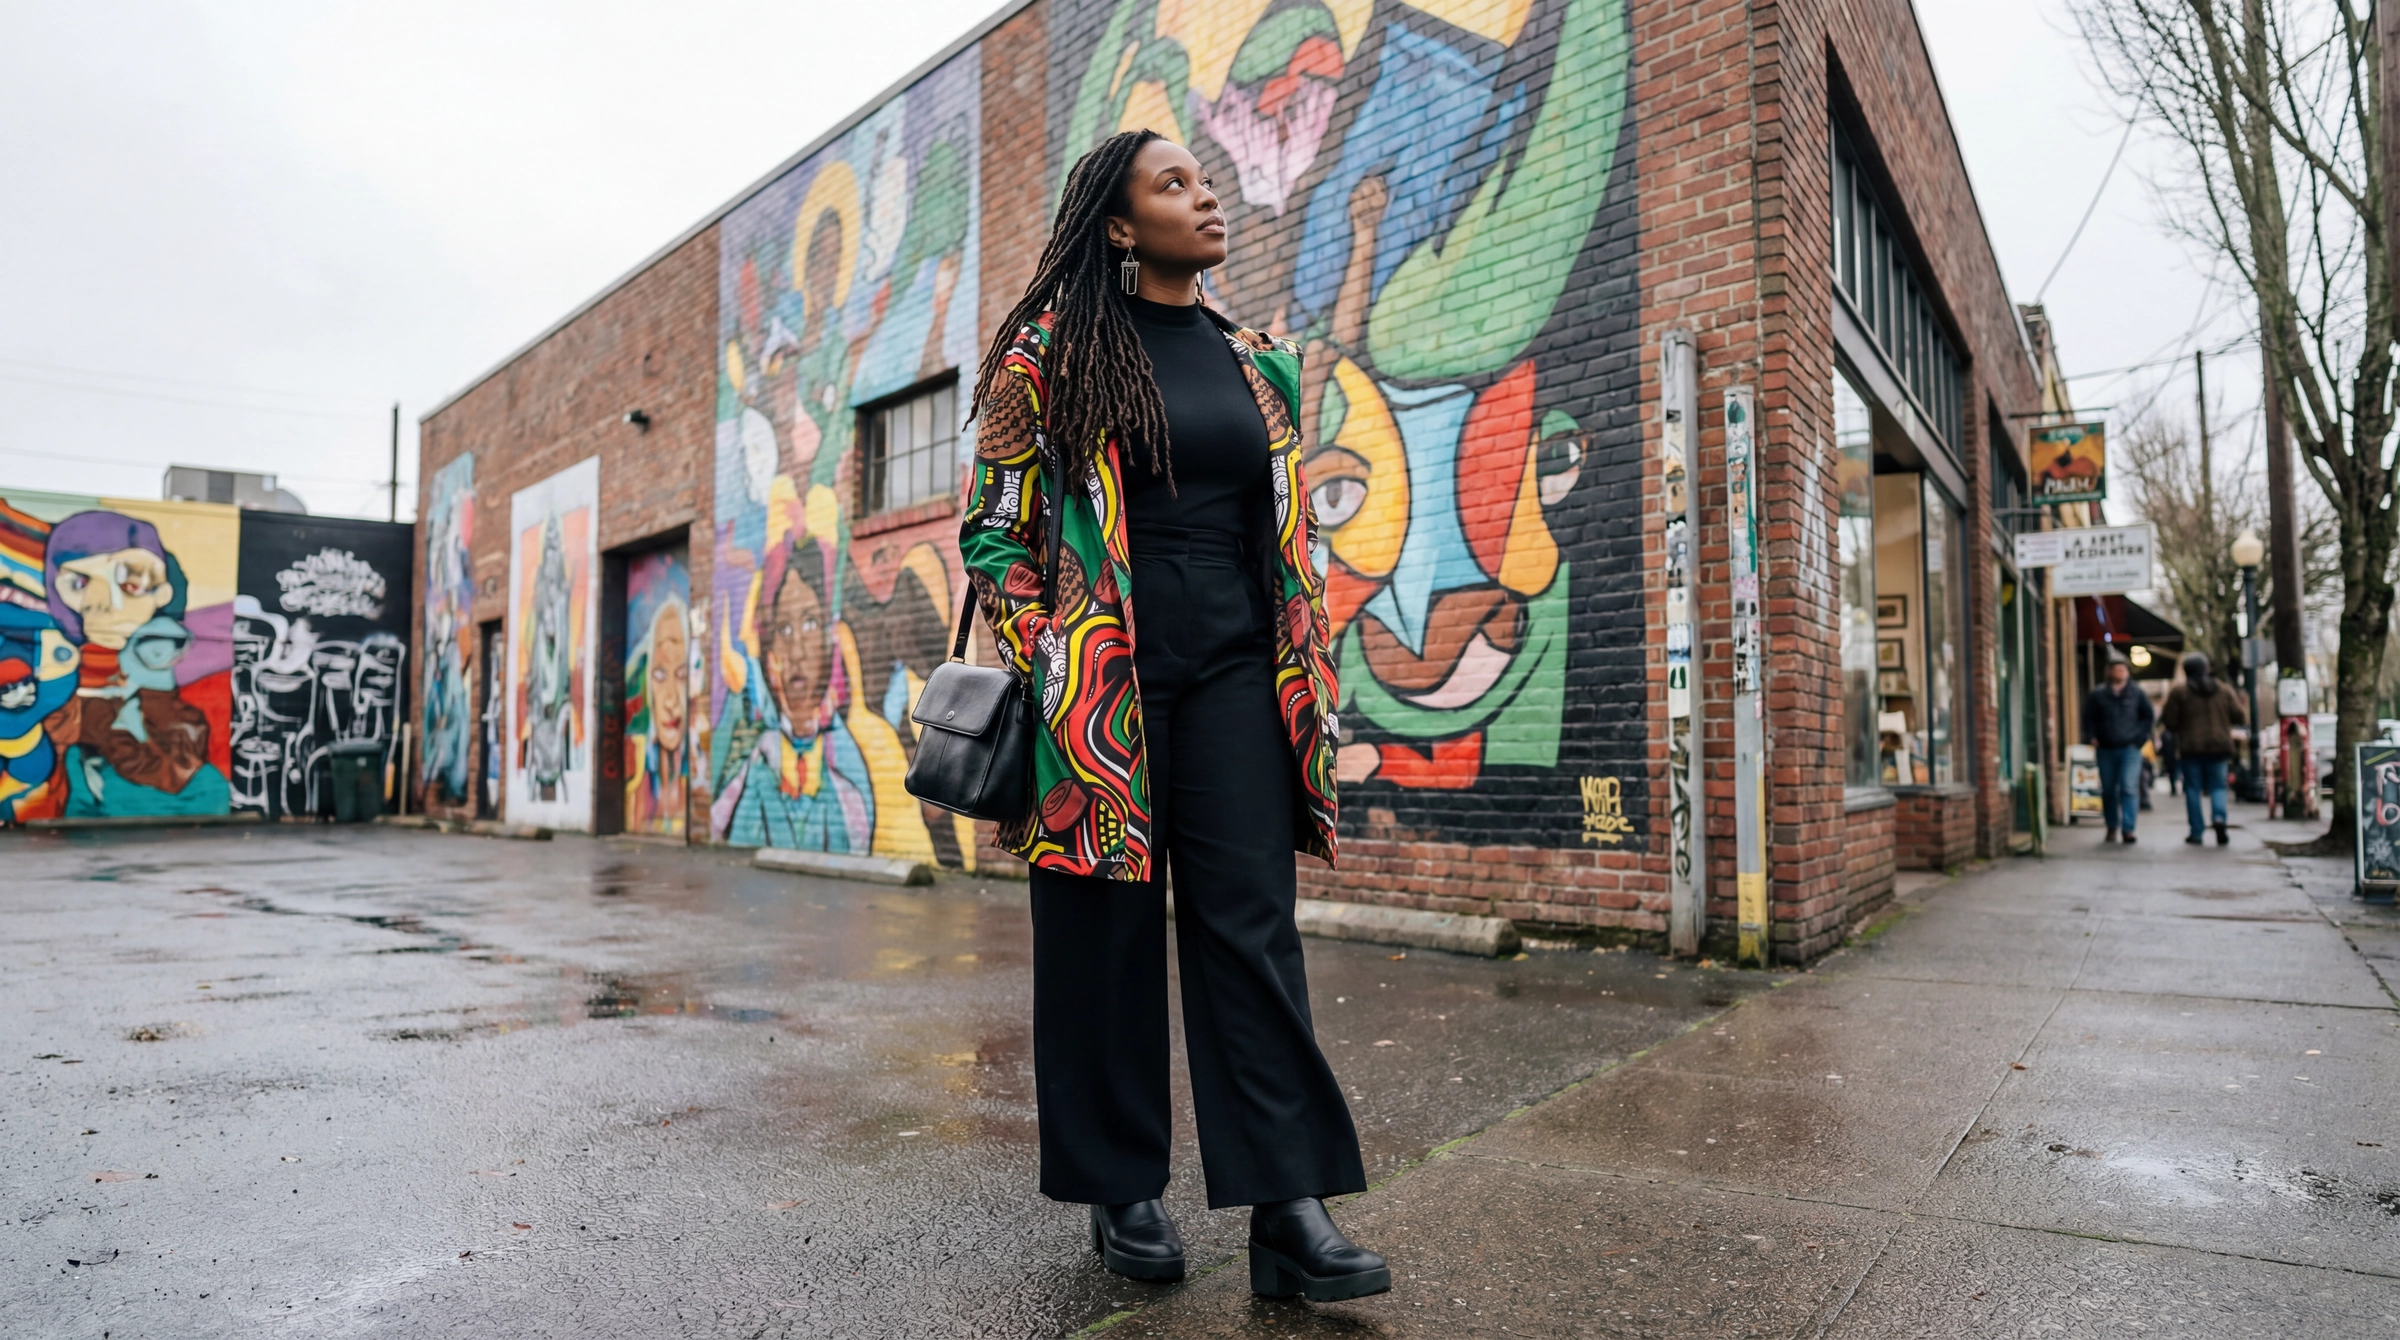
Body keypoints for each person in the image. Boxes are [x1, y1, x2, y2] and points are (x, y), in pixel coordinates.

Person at [957, 130, 1386, 1304]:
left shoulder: (1259, 363)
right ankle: (1120, 1186)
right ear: (1118, 222)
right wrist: (1049, 650)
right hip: (1103, 677)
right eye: (1174, 185)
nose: (1206, 196)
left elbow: (1283, 521)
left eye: (1205, 180)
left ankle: (1288, 1206)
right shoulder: (1047, 358)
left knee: (1251, 926)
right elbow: (995, 527)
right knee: (1101, 929)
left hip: (1242, 671)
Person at [2159, 651, 2246, 846]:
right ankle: (2219, 818)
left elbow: (2169, 721)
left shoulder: (2179, 692)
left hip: (2191, 748)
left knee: (2192, 789)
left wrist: (2182, 726)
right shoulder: (2224, 690)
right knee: (2218, 787)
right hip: (2219, 746)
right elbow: (2240, 716)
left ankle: (2196, 832)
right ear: (2206, 669)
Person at [2081, 651, 2154, 844]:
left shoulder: (2137, 693)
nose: (2120, 672)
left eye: (2123, 669)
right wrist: (2092, 737)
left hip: (2130, 748)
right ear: (2109, 672)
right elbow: (2088, 718)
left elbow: (2148, 717)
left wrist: (2140, 739)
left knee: (2129, 787)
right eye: (2117, 669)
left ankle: (2128, 829)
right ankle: (2112, 825)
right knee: (2109, 790)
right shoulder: (2098, 694)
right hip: (2106, 748)